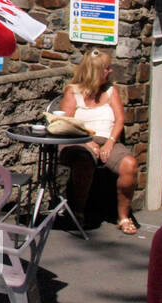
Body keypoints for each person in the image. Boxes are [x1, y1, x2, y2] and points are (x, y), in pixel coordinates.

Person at [59, 48, 139, 235]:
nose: (110, 72)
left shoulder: (111, 91)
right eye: (107, 68)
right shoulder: (73, 92)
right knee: (84, 160)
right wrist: (86, 142)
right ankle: (78, 211)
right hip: (77, 140)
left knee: (130, 164)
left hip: (107, 139)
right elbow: (65, 124)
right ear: (95, 72)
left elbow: (120, 120)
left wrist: (111, 142)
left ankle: (123, 216)